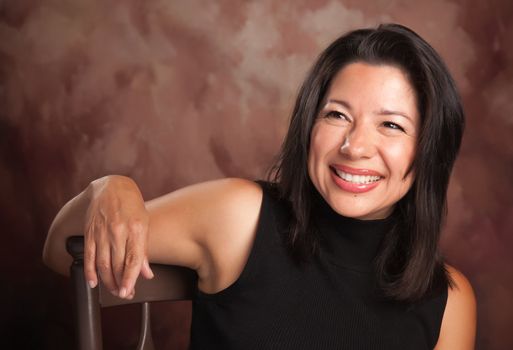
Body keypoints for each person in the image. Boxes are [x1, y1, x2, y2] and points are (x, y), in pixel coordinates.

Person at [43, 24, 476, 349]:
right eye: (336, 115)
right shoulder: (239, 217)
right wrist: (108, 189)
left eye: (391, 125)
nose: (354, 145)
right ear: (308, 124)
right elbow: (60, 250)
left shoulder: (450, 302)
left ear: (429, 152)